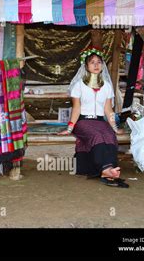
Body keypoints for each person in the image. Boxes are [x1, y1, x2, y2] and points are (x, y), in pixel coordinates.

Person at [59, 47, 129, 188]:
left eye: (99, 62)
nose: (96, 65)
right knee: (97, 135)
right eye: (92, 62)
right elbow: (76, 108)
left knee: (109, 135)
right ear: (86, 66)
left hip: (99, 121)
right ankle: (106, 170)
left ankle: (108, 169)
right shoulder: (79, 86)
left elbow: (108, 109)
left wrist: (115, 128)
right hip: (83, 121)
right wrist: (70, 128)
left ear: (102, 65)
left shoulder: (107, 86)